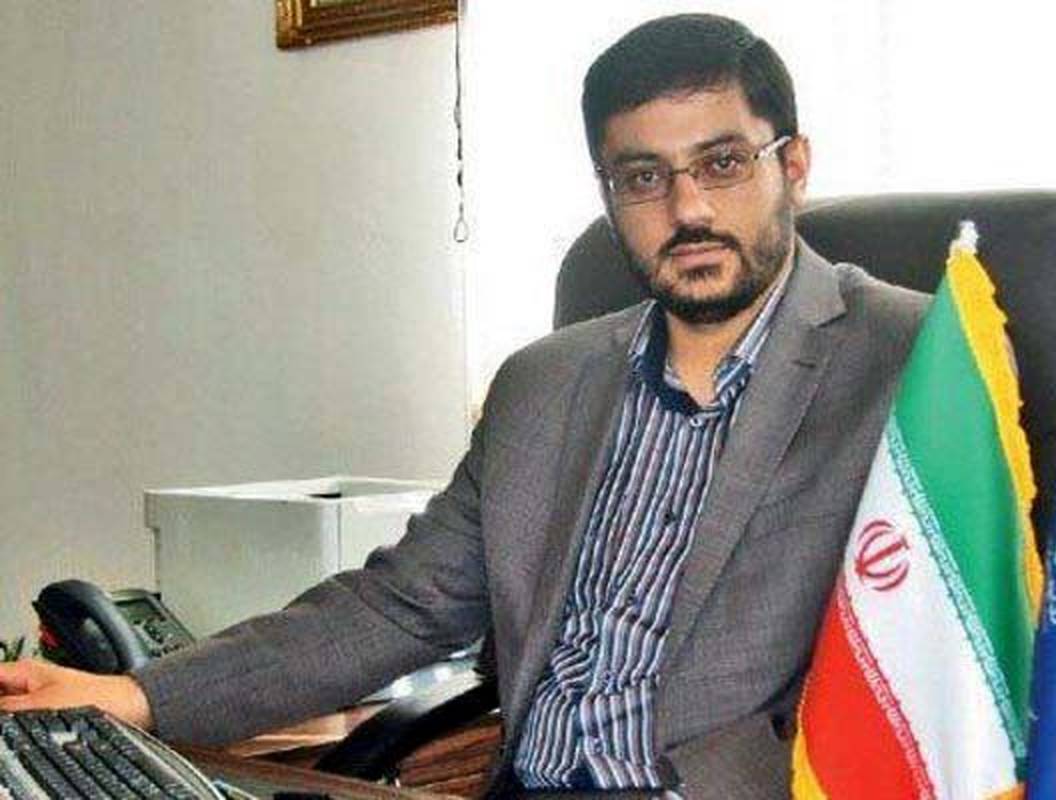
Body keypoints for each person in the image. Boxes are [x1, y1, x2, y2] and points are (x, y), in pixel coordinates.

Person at [0, 14, 927, 798]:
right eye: (643, 177)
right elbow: (397, 607)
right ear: (608, 193)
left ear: (793, 165)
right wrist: (138, 696)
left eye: (721, 163)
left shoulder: (914, 363)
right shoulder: (543, 385)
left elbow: (957, 669)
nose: (686, 210)